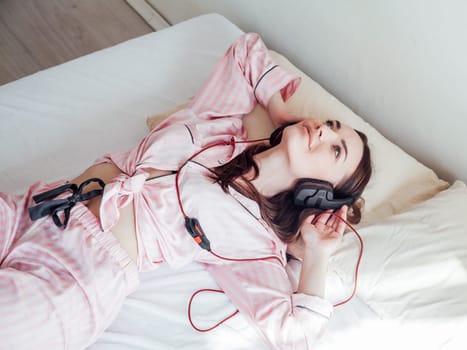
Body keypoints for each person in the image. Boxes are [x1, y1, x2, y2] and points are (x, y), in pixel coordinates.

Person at [0, 33, 371, 349]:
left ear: (323, 194)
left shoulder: (255, 245)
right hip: (36, 209)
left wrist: (317, 254)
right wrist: (279, 111)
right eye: (331, 124)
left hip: (77, 277)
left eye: (336, 149)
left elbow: (297, 333)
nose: (324, 130)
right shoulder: (221, 126)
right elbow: (245, 52)